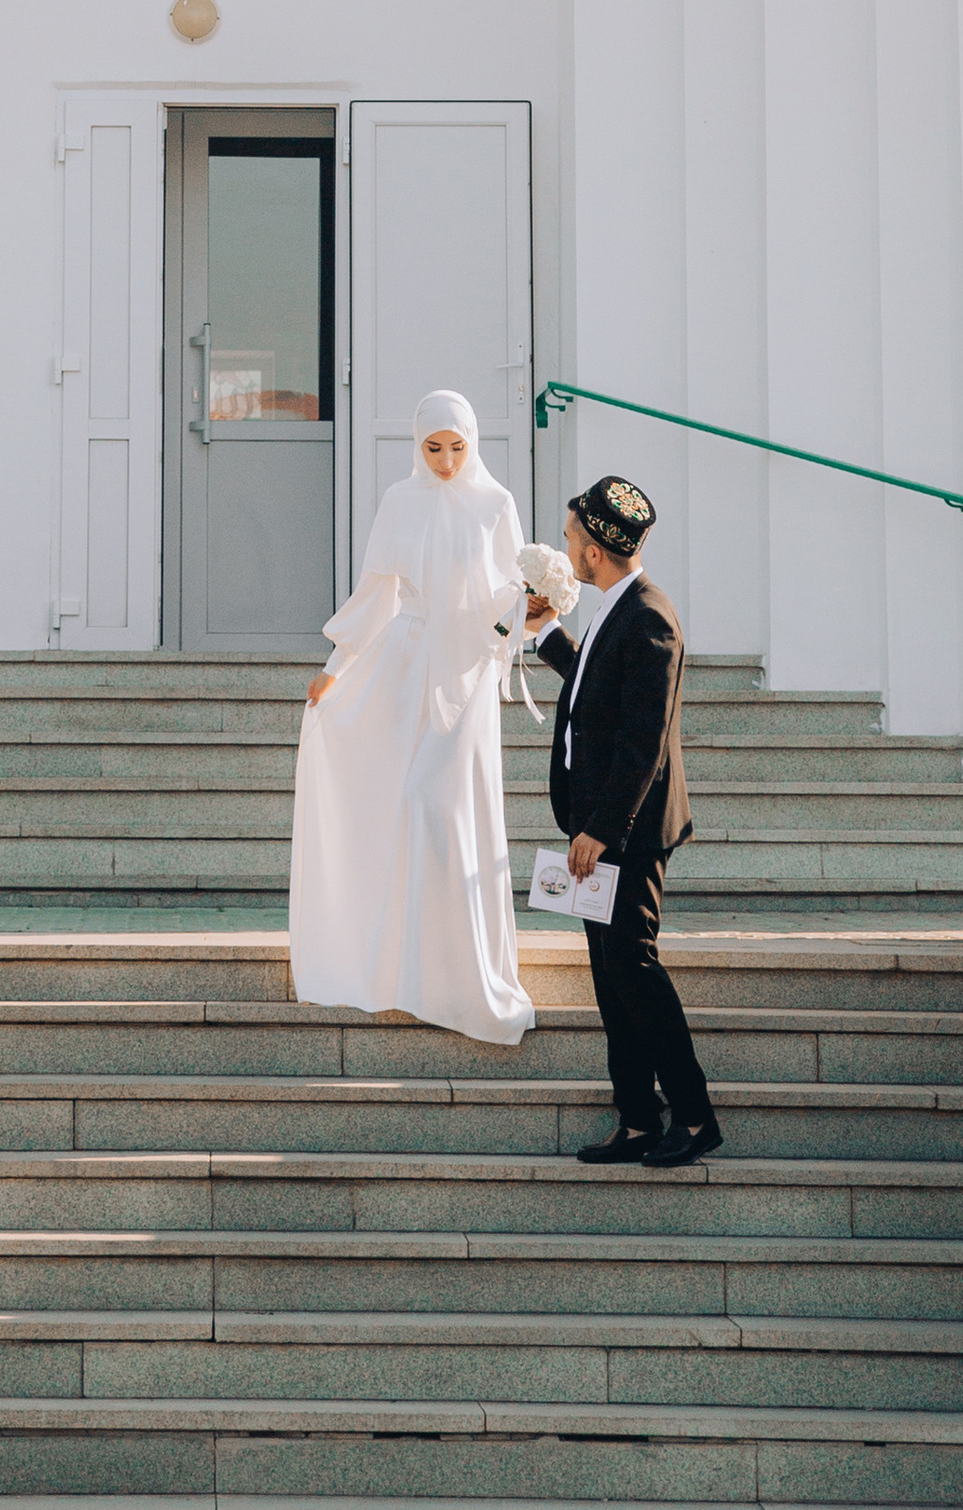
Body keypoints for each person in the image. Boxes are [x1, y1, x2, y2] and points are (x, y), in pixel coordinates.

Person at [289, 389, 536, 1045]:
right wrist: (335, 667)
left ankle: (457, 974)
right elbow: (377, 594)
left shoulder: (497, 504)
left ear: (474, 442)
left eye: (458, 446)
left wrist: (533, 613)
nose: (448, 460)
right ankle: (406, 968)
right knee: (408, 806)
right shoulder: (401, 501)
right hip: (409, 663)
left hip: (469, 671)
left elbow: (512, 600)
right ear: (417, 445)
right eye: (434, 447)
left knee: (444, 806)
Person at [524, 474, 724, 1166]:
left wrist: (603, 829)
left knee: (634, 968)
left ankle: (694, 1118)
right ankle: (638, 1117)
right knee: (611, 976)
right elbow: (594, 688)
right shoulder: (617, 607)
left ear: (594, 553)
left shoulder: (650, 617)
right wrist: (544, 631)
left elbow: (643, 740)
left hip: (627, 834)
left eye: (576, 537)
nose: (570, 545)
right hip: (598, 830)